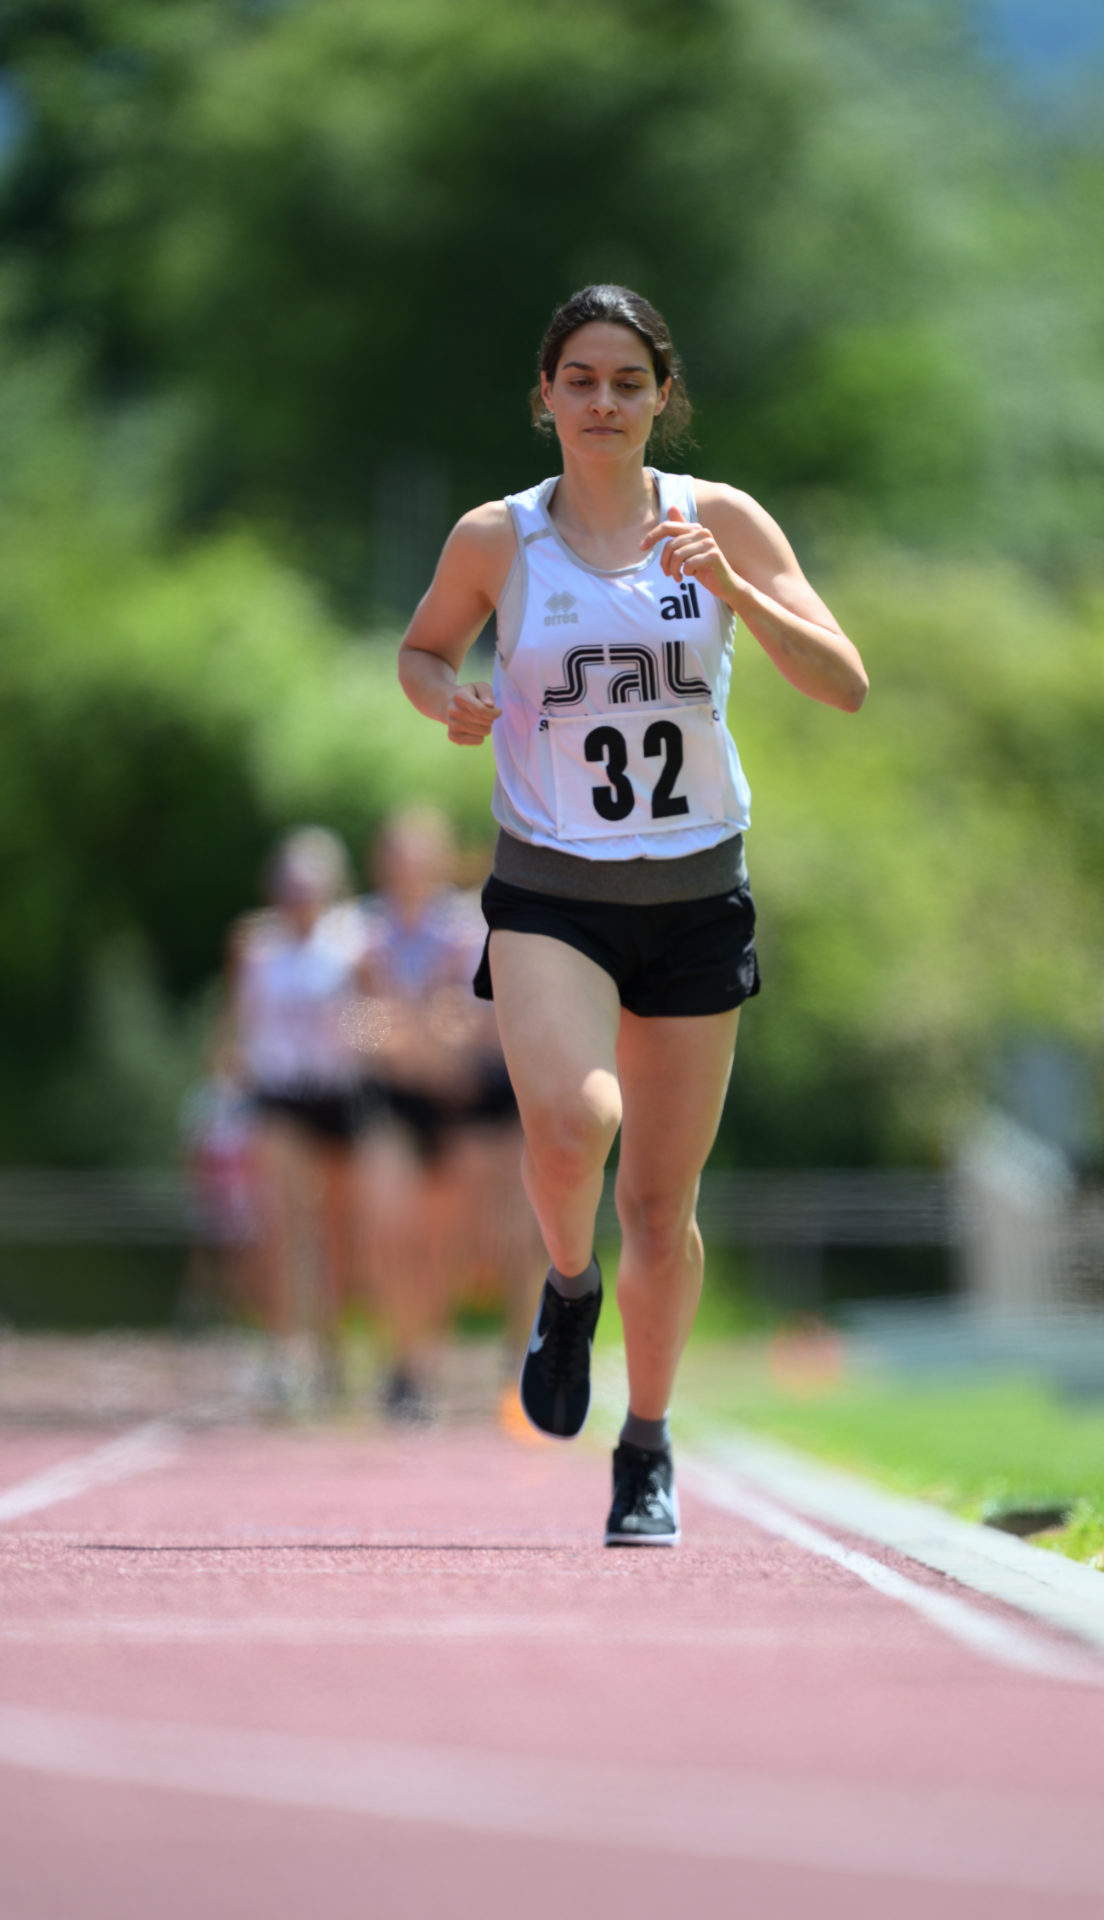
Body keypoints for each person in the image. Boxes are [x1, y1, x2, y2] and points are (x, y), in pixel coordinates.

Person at [397, 284, 868, 1543]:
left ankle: (644, 1450)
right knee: (573, 1118)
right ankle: (565, 1285)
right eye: (580, 380)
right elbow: (423, 647)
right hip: (549, 884)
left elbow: (843, 683)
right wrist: (442, 695)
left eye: (626, 381)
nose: (602, 402)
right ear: (543, 396)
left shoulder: (719, 523)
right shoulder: (498, 539)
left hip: (695, 893)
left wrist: (740, 593)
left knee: (663, 1204)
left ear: (662, 398)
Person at [357, 808, 542, 1421]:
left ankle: (487, 1361)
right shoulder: (361, 934)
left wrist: (422, 1034)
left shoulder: (471, 928)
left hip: (473, 1105)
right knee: (394, 1231)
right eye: (397, 859)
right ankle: (406, 1361)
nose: (408, 871)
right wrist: (411, 1036)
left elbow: (482, 1021)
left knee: (473, 1240)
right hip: (400, 1100)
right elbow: (354, 1024)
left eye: (420, 858)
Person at [228, 826, 368, 1409]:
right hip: (279, 1094)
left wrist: (363, 1041)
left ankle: (331, 1347)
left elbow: (374, 1020)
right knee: (283, 1226)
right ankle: (286, 1353)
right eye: (290, 886)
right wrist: (227, 1083)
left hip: (337, 1095)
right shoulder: (254, 945)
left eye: (310, 887)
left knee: (334, 1233)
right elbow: (239, 1017)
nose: (299, 898)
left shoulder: (356, 942)